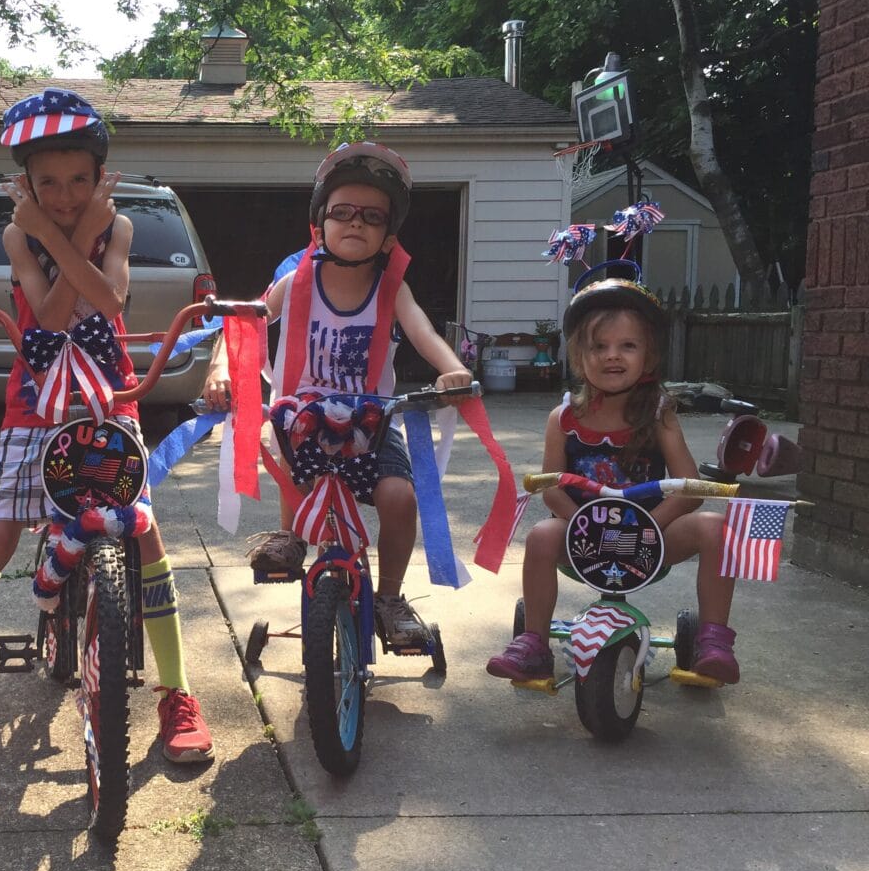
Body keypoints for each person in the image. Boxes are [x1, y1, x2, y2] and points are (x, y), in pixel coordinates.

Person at [0, 88, 214, 770]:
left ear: (101, 177)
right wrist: (44, 235)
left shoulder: (119, 228)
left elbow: (110, 299)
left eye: (78, 181)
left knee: (146, 531)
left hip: (107, 398)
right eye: (48, 184)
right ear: (26, 186)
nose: (65, 195)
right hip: (33, 402)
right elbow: (46, 320)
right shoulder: (17, 234)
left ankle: (176, 693)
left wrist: (63, 239)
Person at [200, 142, 472, 651]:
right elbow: (246, 325)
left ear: (389, 237)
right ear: (319, 224)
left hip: (371, 426)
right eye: (341, 212)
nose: (355, 223)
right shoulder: (296, 280)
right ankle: (291, 536)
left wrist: (453, 370)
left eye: (372, 217)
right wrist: (220, 371)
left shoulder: (393, 290)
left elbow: (424, 335)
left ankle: (390, 598)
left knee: (400, 497)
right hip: (305, 420)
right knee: (287, 437)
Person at [485, 274, 740, 684]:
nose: (611, 356)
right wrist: (579, 523)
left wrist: (651, 524)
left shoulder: (658, 412)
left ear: (649, 356)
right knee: (540, 536)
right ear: (579, 356)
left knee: (716, 527)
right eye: (598, 347)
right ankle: (533, 644)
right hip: (583, 536)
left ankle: (713, 641)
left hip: (651, 536)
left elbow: (690, 486)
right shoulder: (564, 418)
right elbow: (552, 488)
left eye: (627, 346)